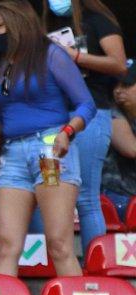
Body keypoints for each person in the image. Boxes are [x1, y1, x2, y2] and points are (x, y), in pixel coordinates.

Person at [0, 0, 92, 278]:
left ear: (19, 25)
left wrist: (68, 132)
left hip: (50, 150)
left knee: (59, 244)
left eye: (0, 25)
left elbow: (85, 105)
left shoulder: (51, 55)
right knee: (6, 246)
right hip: (13, 155)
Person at [34, 0, 126, 250]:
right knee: (46, 191)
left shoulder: (97, 19)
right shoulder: (46, 24)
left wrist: (74, 56)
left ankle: (94, 268)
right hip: (51, 119)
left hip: (91, 116)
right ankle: (46, 267)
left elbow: (119, 64)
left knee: (85, 197)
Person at [103, 63, 136, 216]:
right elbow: (131, 149)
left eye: (126, 84)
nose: (118, 90)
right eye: (115, 85)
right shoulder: (112, 114)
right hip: (118, 196)